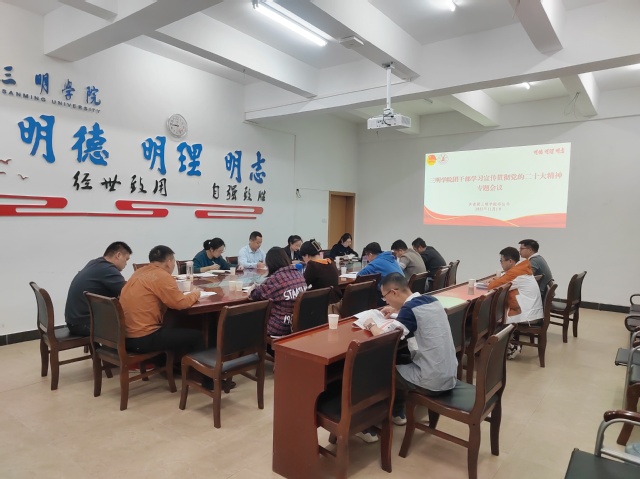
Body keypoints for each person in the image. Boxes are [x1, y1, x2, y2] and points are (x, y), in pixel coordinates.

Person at [362, 273, 457, 440]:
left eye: (385, 297)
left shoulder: (410, 310)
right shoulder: (432, 301)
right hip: (448, 373)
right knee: (401, 359)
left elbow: (385, 337)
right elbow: (416, 317)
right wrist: (397, 310)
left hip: (431, 381)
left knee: (373, 371)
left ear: (394, 292)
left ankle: (364, 424)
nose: (386, 302)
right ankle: (397, 412)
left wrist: (370, 324)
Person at [120, 245, 205, 359]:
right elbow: (181, 303)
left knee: (173, 325)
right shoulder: (162, 276)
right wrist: (195, 293)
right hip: (143, 338)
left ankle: (170, 363)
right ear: (169, 262)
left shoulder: (139, 272)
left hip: (126, 337)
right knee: (197, 336)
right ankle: (196, 370)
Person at [64, 241, 132, 336]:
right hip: (84, 324)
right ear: (118, 255)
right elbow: (129, 292)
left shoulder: (95, 263)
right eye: (126, 259)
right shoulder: (108, 269)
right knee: (133, 325)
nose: (126, 263)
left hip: (74, 321)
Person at [487, 246, 543, 359]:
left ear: (510, 261)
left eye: (501, 261)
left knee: (493, 317)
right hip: (530, 309)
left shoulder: (516, 273)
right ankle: (505, 346)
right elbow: (503, 280)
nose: (501, 264)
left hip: (527, 314)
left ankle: (509, 347)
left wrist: (493, 282)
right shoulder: (521, 268)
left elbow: (493, 286)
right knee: (497, 312)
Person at [249, 247, 307, 344]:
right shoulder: (298, 274)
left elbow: (254, 295)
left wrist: (253, 288)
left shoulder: (275, 279)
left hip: (280, 327)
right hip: (298, 323)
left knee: (247, 318)